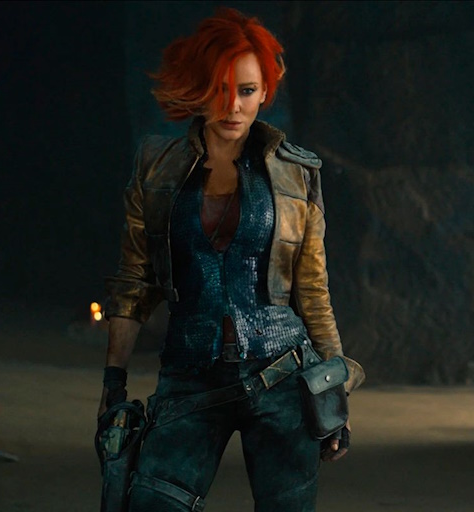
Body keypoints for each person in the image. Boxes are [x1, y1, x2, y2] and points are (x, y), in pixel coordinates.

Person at [99, 7, 365, 511]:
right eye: (219, 89)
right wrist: (114, 381)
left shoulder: (296, 174)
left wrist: (334, 394)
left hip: (282, 375)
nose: (232, 106)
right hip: (189, 375)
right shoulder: (157, 168)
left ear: (264, 92)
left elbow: (312, 290)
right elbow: (135, 279)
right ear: (198, 89)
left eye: (246, 90)